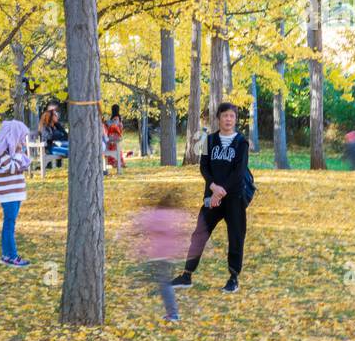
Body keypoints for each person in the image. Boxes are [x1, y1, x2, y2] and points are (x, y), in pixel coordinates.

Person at [170, 102, 250, 293]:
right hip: (211, 195)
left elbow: (239, 172)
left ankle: (233, 278)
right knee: (199, 233)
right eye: (225, 116)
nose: (228, 119)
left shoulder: (242, 142)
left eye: (232, 116)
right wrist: (213, 188)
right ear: (218, 118)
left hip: (234, 197)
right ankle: (187, 275)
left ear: (235, 119)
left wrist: (221, 192)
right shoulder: (209, 140)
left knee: (236, 236)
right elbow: (204, 167)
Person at [126, 191, 192, 322]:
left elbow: (142, 226)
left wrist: (139, 249)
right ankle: (170, 310)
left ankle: (173, 314)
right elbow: (181, 232)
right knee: (163, 282)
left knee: (164, 284)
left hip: (158, 256)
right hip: (170, 256)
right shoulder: (174, 216)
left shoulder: (155, 216)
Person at [0, 118, 32, 267]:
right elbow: (13, 168)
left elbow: (22, 165)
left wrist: (20, 156)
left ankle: (6, 255)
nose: (22, 141)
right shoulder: (3, 153)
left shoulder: (12, 152)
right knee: (9, 224)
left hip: (16, 193)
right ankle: (11, 256)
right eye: (20, 138)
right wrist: (19, 154)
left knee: (9, 224)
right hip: (9, 195)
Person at [104, 104, 124, 170]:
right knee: (116, 149)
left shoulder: (116, 118)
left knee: (113, 149)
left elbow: (113, 125)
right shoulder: (118, 117)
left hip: (114, 136)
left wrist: (106, 122)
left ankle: (115, 162)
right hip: (116, 136)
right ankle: (117, 162)